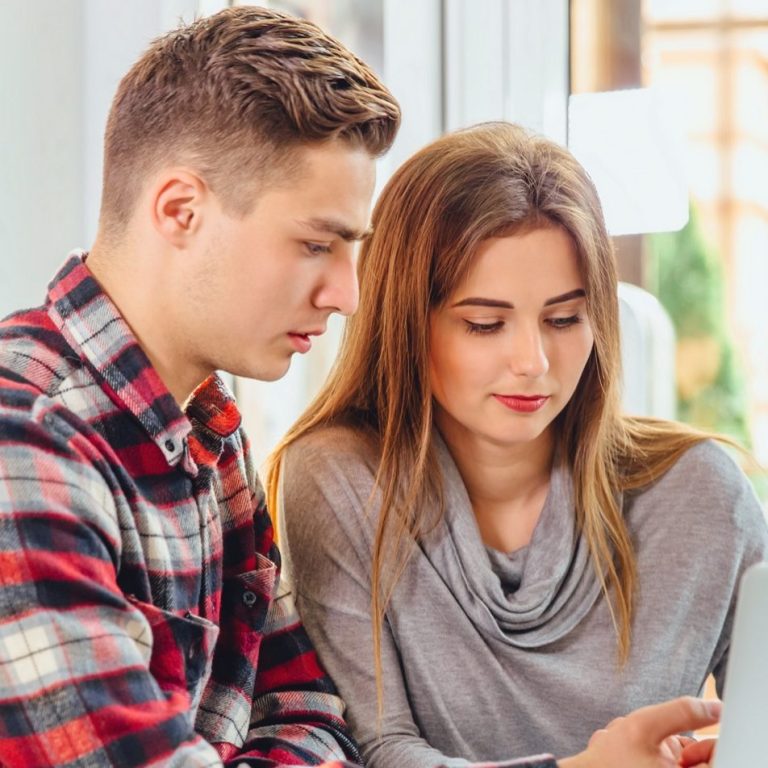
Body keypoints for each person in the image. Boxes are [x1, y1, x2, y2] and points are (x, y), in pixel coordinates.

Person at [271, 122, 768, 768]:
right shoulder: (337, 479)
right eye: (485, 324)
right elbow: (378, 750)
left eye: (565, 318)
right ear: (405, 322)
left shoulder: (700, 493)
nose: (533, 361)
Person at [0, 6, 401, 766]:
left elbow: (312, 713)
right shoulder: (25, 435)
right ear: (180, 210)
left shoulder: (212, 431)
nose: (347, 295)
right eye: (317, 243)